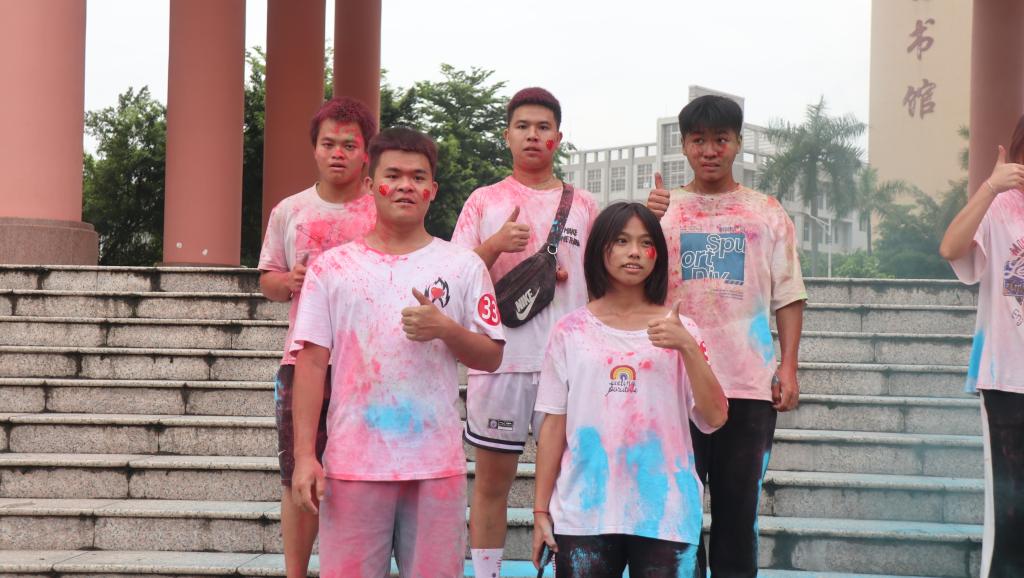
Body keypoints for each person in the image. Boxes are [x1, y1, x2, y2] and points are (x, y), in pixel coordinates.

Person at [288, 127, 505, 577]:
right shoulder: (332, 268)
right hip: (354, 465)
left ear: (433, 190)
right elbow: (310, 364)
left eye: (418, 177)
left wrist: (446, 329)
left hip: (435, 465)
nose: (406, 186)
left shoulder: (463, 266)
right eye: (394, 175)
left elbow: (491, 356)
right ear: (371, 185)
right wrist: (305, 455)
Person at [647, 95, 806, 577]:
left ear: (737, 143)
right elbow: (631, 284)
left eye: (721, 139)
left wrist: (788, 367)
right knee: (679, 516)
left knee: (739, 518)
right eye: (699, 140)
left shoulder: (766, 212)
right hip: (675, 386)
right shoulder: (663, 210)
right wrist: (647, 220)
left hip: (747, 387)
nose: (710, 150)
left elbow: (789, 295)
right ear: (683, 145)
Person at [531, 202, 728, 577]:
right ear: (599, 248)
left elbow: (715, 417)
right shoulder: (570, 331)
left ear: (658, 254)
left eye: (645, 242)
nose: (634, 252)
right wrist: (541, 510)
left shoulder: (682, 330)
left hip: (667, 515)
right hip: (583, 513)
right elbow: (554, 424)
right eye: (621, 241)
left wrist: (687, 347)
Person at [451, 87, 599, 577]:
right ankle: (487, 573)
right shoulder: (484, 201)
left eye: (543, 127)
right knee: (492, 484)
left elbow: (608, 279)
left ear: (559, 137)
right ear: (507, 136)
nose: (533, 135)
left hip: (569, 367)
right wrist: (495, 245)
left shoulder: (585, 206)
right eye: (522, 127)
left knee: (571, 484)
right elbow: (454, 275)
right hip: (501, 362)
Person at [257, 96, 378, 578]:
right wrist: (288, 282)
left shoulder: (382, 208)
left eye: (349, 145)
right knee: (298, 477)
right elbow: (267, 280)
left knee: (363, 477)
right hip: (302, 361)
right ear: (314, 149)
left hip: (369, 365)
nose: (338, 153)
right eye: (329, 144)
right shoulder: (290, 211)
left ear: (366, 153)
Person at [939, 115, 1024, 578]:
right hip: (1008, 381)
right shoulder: (1001, 208)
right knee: (1011, 516)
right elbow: (951, 248)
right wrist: (990, 187)